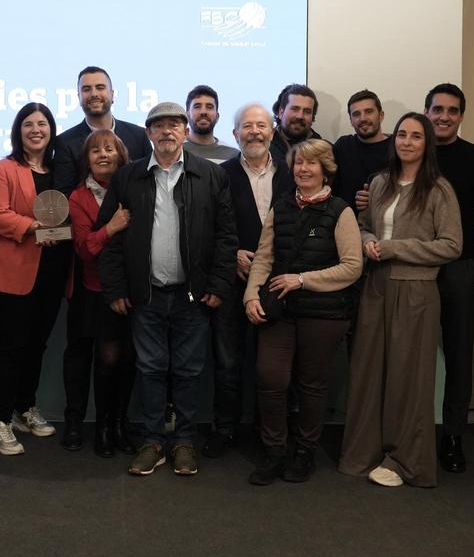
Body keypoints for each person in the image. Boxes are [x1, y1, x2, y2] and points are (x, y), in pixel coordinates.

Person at [98, 102, 237, 477]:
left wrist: (220, 283)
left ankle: (185, 442)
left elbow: (226, 236)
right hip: (146, 296)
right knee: (150, 368)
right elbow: (109, 239)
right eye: (158, 126)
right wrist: (114, 289)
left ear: (185, 130)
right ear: (148, 134)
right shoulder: (127, 177)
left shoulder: (210, 175)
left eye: (174, 124)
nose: (166, 132)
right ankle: (153, 441)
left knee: (190, 371)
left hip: (193, 296)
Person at [339, 113, 462, 488]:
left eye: (416, 136)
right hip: (375, 286)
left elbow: (451, 246)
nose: (407, 142)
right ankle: (366, 452)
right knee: (368, 373)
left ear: (428, 144)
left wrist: (392, 247)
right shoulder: (379, 184)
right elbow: (360, 225)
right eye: (402, 135)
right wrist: (366, 242)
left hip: (416, 291)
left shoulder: (439, 189)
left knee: (409, 378)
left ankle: (406, 461)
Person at [243, 139, 362, 484]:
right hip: (280, 312)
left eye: (312, 164)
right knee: (270, 377)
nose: (304, 169)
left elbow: (352, 267)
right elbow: (263, 258)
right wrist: (251, 296)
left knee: (311, 384)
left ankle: (304, 452)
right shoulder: (280, 208)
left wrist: (302, 279)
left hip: (324, 315)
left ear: (326, 169)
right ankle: (275, 452)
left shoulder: (341, 211)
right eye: (298, 164)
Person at [52, 66, 151, 450]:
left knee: (122, 357)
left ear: (113, 92)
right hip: (86, 281)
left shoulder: (139, 136)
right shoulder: (66, 144)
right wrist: (108, 229)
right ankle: (76, 423)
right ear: (78, 95)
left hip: (130, 283)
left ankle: (117, 424)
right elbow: (63, 211)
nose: (94, 93)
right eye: (86, 88)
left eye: (100, 87)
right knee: (80, 353)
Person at [0, 102, 71, 455]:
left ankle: (24, 408)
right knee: (12, 346)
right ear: (18, 130)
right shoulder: (4, 168)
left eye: (43, 123)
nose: (36, 129)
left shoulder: (60, 170)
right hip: (16, 270)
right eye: (29, 123)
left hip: (53, 271)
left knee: (38, 345)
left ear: (51, 130)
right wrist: (33, 227)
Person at [204, 103, 293, 459]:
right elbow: (204, 225)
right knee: (227, 362)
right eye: (246, 126)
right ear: (235, 133)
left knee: (270, 364)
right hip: (232, 281)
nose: (254, 131)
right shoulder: (218, 174)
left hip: (277, 284)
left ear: (273, 131)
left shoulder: (291, 173)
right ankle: (224, 430)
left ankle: (267, 430)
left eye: (261, 125)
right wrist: (230, 255)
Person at [424, 83, 474, 473]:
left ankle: (453, 436)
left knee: (458, 356)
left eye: (452, 110)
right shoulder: (412, 152)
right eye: (437, 109)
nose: (444, 116)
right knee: (413, 355)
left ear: (461, 116)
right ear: (426, 111)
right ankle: (413, 433)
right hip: (415, 269)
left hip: (458, 269)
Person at [67, 130, 136, 457]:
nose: (104, 155)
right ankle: (103, 427)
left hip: (136, 290)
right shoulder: (78, 198)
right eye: (96, 151)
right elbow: (84, 249)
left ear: (122, 155)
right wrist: (112, 227)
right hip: (97, 292)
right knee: (106, 359)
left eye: (110, 148)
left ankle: (122, 423)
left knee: (131, 359)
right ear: (87, 160)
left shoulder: (136, 188)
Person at [334, 89, 390, 209]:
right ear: (351, 120)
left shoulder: (397, 148)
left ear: (381, 115)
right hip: (346, 223)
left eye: (369, 111)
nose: (362, 118)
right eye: (356, 114)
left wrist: (377, 198)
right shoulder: (342, 146)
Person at [182, 84, 239, 164]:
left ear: (217, 116)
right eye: (197, 106)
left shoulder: (233, 156)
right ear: (187, 115)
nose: (203, 112)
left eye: (209, 107)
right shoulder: (176, 150)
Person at [269, 83, 324, 164]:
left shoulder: (322, 150)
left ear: (312, 117)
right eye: (295, 109)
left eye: (307, 111)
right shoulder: (264, 145)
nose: (300, 116)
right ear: (281, 112)